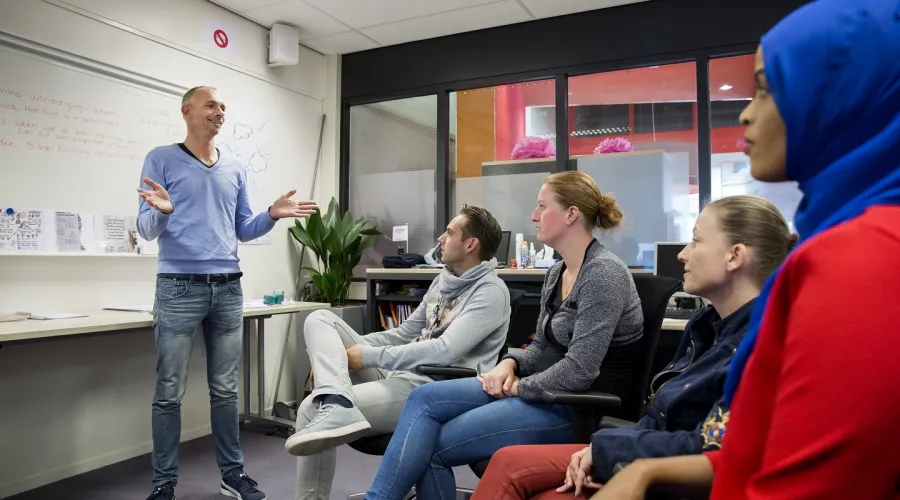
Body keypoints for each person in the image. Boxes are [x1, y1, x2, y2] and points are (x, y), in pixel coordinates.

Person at [591, 1, 900, 498]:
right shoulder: (848, 236)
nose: (746, 111)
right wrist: (642, 469)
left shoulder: (861, 260)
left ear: (840, 94)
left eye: (764, 87)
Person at [469, 195, 795, 500]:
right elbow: (657, 416)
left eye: (696, 240)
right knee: (506, 462)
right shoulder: (704, 326)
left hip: (668, 472)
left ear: (735, 256)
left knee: (509, 467)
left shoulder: (759, 346)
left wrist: (610, 449)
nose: (682, 254)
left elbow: (712, 447)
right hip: (640, 450)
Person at [364, 170, 645, 500]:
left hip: (573, 408)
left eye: (542, 206)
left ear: (571, 214)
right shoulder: (558, 271)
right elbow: (541, 345)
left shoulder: (604, 273)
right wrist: (510, 363)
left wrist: (519, 388)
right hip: (540, 392)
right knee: (423, 399)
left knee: (427, 447)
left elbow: (580, 370)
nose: (533, 216)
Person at [137, 86, 317, 500]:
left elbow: (242, 228)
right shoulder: (160, 159)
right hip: (178, 288)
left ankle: (232, 475)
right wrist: (162, 212)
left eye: (222, 105)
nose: (220, 111)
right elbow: (146, 229)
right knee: (169, 391)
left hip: (228, 288)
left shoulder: (234, 167)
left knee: (226, 390)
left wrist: (270, 215)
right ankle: (163, 485)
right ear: (187, 112)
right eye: (211, 105)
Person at [286, 205, 512, 500]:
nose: (441, 239)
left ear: (471, 244)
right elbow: (403, 333)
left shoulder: (490, 291)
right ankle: (335, 400)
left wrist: (363, 357)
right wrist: (340, 354)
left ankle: (330, 406)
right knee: (319, 319)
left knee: (310, 409)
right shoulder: (443, 281)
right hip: (402, 375)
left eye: (449, 232)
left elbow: (443, 351)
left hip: (434, 387)